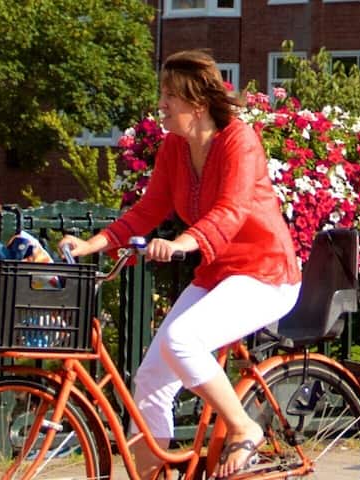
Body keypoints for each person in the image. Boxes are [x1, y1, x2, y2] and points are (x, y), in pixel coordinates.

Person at [58, 49, 301, 477]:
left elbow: (231, 209)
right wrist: (92, 244)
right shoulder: (174, 147)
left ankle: (244, 427)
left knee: (182, 340)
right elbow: (148, 210)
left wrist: (183, 244)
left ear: (199, 103)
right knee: (151, 378)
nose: (162, 104)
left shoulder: (239, 140)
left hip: (265, 273)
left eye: (170, 95)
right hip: (217, 273)